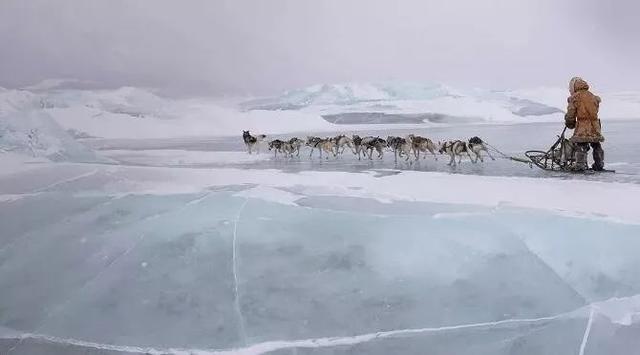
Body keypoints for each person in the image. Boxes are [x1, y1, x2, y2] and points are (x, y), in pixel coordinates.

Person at [564, 77, 605, 171]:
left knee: (581, 145)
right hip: (595, 125)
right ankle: (599, 164)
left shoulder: (575, 97)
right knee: (596, 144)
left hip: (583, 125)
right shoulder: (593, 96)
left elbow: (571, 112)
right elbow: (595, 111)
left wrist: (569, 122)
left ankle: (580, 165)